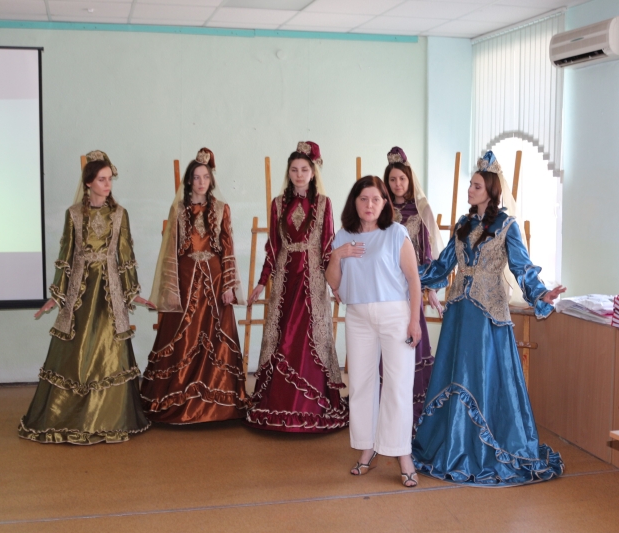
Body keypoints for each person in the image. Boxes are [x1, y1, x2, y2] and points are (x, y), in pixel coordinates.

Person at [412, 151, 566, 485]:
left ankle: (484, 449)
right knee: (456, 374)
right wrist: (407, 272)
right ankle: (454, 445)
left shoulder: (507, 226)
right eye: (470, 184)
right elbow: (442, 267)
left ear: (491, 190)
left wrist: (541, 293)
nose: (470, 189)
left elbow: (522, 267)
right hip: (458, 313)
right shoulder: (462, 225)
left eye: (476, 186)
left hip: (487, 316)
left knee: (484, 378)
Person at [19, 150, 153, 444]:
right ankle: (69, 418)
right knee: (74, 352)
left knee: (108, 351)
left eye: (109, 179)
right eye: (102, 179)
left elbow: (125, 256)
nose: (107, 185)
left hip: (109, 293)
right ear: (89, 183)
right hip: (79, 293)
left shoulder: (120, 214)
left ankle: (108, 418)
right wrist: (56, 295)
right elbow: (66, 255)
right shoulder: (74, 214)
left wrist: (133, 292)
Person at [245, 141, 348, 433]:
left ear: (313, 173)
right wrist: (262, 281)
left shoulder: (324, 204)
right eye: (294, 170)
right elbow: (273, 246)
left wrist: (336, 284)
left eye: (304, 169)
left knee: (309, 335)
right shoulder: (278, 204)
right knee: (283, 335)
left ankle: (312, 404)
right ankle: (279, 401)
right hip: (285, 279)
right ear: (288, 173)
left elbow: (327, 247)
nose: (299, 174)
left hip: (312, 280)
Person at [326, 176, 422, 488]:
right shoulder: (343, 236)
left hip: (395, 314)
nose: (369, 205)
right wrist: (338, 255)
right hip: (358, 316)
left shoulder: (396, 233)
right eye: (364, 199)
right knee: (361, 383)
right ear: (354, 202)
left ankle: (402, 453)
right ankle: (367, 448)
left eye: (376, 199)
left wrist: (414, 321)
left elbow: (413, 279)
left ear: (384, 204)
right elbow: (334, 282)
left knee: (398, 384)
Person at [141, 148, 248, 424]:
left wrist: (229, 285)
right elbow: (170, 250)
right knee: (181, 336)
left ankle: (217, 401)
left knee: (215, 337)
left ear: (211, 180)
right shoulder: (178, 209)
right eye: (197, 177)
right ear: (189, 180)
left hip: (215, 280)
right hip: (186, 280)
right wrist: (170, 287)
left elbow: (227, 248)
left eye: (206, 177)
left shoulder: (222, 208)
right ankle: (176, 396)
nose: (201, 182)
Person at [382, 146, 442, 423]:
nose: (397, 184)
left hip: (411, 286)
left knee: (410, 336)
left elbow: (427, 253)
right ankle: (387, 406)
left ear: (409, 179)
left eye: (402, 179)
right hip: (385, 287)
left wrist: (430, 288)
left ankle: (412, 406)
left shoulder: (421, 209)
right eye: (392, 179)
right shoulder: (381, 209)